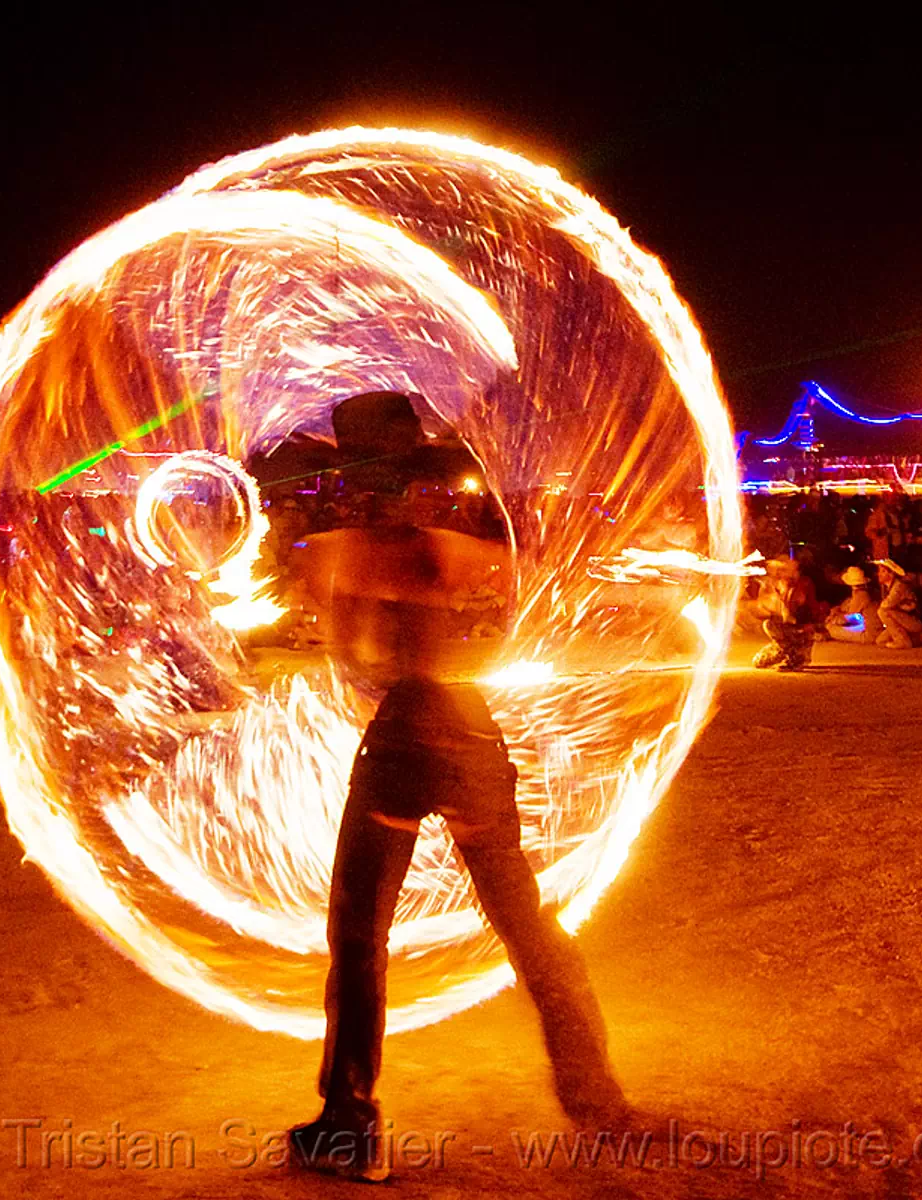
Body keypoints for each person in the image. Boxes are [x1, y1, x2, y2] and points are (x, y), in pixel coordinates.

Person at [287, 396, 631, 1181]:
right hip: (474, 736)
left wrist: (347, 602)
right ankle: (595, 1088)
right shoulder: (455, 529)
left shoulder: (348, 544)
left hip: (405, 737)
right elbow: (514, 587)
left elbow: (355, 655)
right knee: (525, 921)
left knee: (358, 933)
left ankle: (347, 1121)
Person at [752, 558, 817, 670]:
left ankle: (795, 656)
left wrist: (783, 599)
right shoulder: (779, 587)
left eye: (781, 570)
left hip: (800, 634)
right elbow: (766, 609)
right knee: (758, 661)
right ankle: (789, 652)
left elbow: (793, 617)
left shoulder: (800, 586)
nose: (776, 573)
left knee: (769, 625)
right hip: (790, 634)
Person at [874, 559, 922, 649]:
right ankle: (920, 638)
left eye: (883, 571)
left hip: (913, 620)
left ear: (891, 574)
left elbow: (886, 604)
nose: (879, 574)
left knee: (882, 611)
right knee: (881, 641)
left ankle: (901, 641)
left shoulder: (899, 586)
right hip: (902, 620)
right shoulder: (887, 588)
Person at [824, 566, 880, 644]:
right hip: (871, 626)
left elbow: (848, 618)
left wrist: (835, 615)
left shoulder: (861, 595)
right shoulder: (867, 591)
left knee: (832, 629)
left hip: (869, 633)